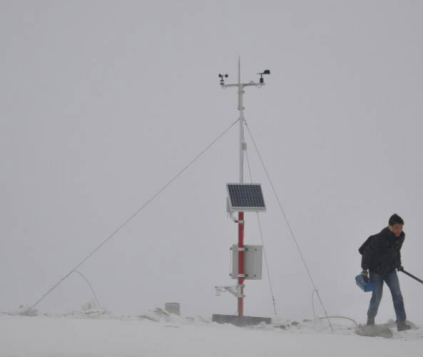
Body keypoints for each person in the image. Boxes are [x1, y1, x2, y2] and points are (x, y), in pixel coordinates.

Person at [360, 214, 411, 331]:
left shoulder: (401, 237)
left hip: (390, 270)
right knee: (377, 297)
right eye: (397, 227)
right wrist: (364, 270)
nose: (399, 230)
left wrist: (398, 264)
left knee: (397, 294)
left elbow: (396, 251)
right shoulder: (380, 238)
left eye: (401, 227)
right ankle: (370, 320)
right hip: (376, 272)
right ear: (390, 227)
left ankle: (401, 322)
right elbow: (367, 252)